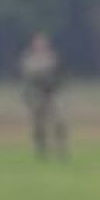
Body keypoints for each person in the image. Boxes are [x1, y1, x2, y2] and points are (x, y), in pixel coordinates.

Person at [19, 31, 67, 159]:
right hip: (37, 95)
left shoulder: (53, 57)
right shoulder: (29, 58)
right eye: (38, 43)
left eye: (43, 43)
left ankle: (61, 149)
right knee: (38, 124)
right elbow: (29, 76)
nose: (41, 45)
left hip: (52, 93)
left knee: (59, 121)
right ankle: (41, 150)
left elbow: (60, 73)